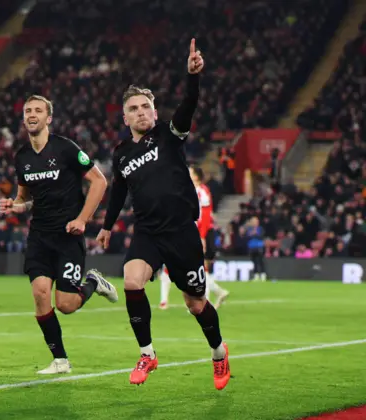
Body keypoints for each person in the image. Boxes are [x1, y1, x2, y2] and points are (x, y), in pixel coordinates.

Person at [95, 39, 231, 389]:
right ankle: (147, 353)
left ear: (154, 113)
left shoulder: (169, 136)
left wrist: (193, 78)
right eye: (134, 108)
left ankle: (218, 353)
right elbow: (120, 190)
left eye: (145, 107)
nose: (141, 112)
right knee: (130, 281)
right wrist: (107, 226)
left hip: (181, 231)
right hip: (148, 231)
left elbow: (189, 106)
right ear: (124, 117)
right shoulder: (122, 152)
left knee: (196, 304)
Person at [0, 94, 118, 374]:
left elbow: (99, 182)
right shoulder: (22, 157)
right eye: (28, 110)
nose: (32, 114)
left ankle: (93, 282)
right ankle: (61, 360)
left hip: (67, 237)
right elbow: (26, 199)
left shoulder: (65, 148)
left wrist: (82, 219)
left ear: (48, 118)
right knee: (40, 294)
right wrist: (13, 206)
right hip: (39, 236)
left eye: (38, 110)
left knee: (65, 304)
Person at [190, 166, 229, 309]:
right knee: (199, 268)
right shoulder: (193, 191)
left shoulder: (202, 192)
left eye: (190, 172)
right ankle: (217, 293)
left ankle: (205, 302)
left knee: (198, 268)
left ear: (196, 176)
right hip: (196, 232)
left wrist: (202, 237)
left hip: (203, 233)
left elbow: (206, 215)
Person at [245, 216, 267, 281]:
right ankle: (256, 275)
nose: (254, 223)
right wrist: (252, 234)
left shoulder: (260, 229)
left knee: (260, 261)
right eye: (253, 221)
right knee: (254, 262)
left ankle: (263, 275)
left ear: (257, 222)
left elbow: (261, 236)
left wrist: (255, 234)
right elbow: (247, 237)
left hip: (259, 247)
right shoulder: (249, 229)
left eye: (255, 221)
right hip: (252, 248)